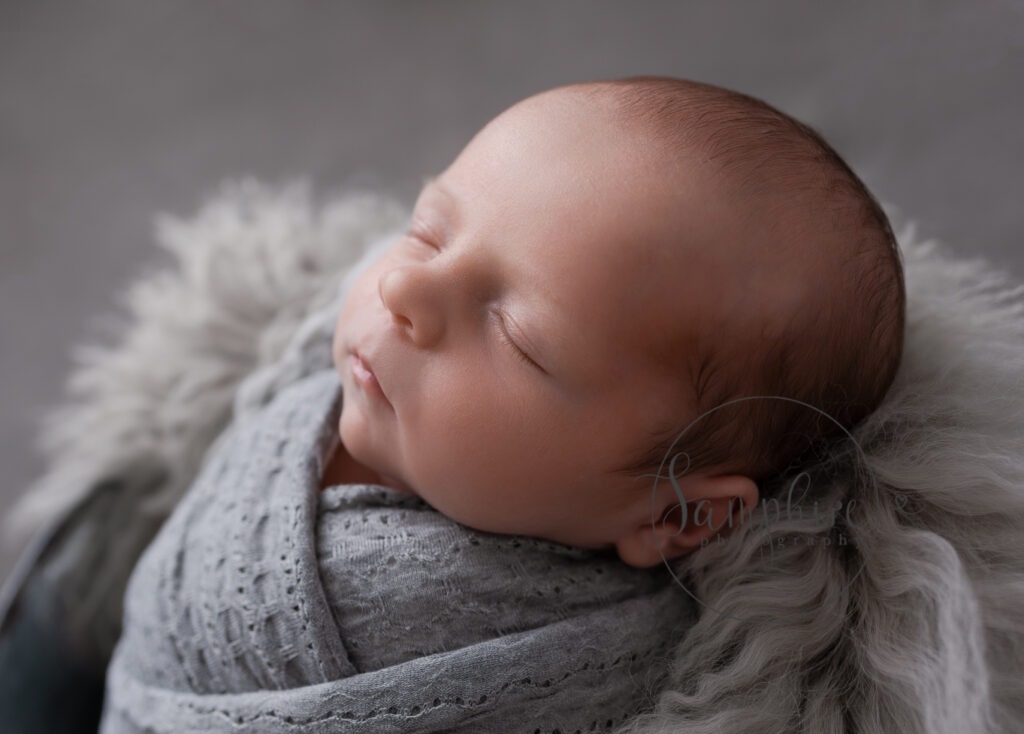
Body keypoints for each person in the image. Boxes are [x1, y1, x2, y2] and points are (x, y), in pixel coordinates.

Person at [321, 75, 904, 567]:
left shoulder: (516, 661)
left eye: (516, 336)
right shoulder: (303, 359)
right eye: (427, 233)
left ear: (679, 514)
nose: (402, 287)